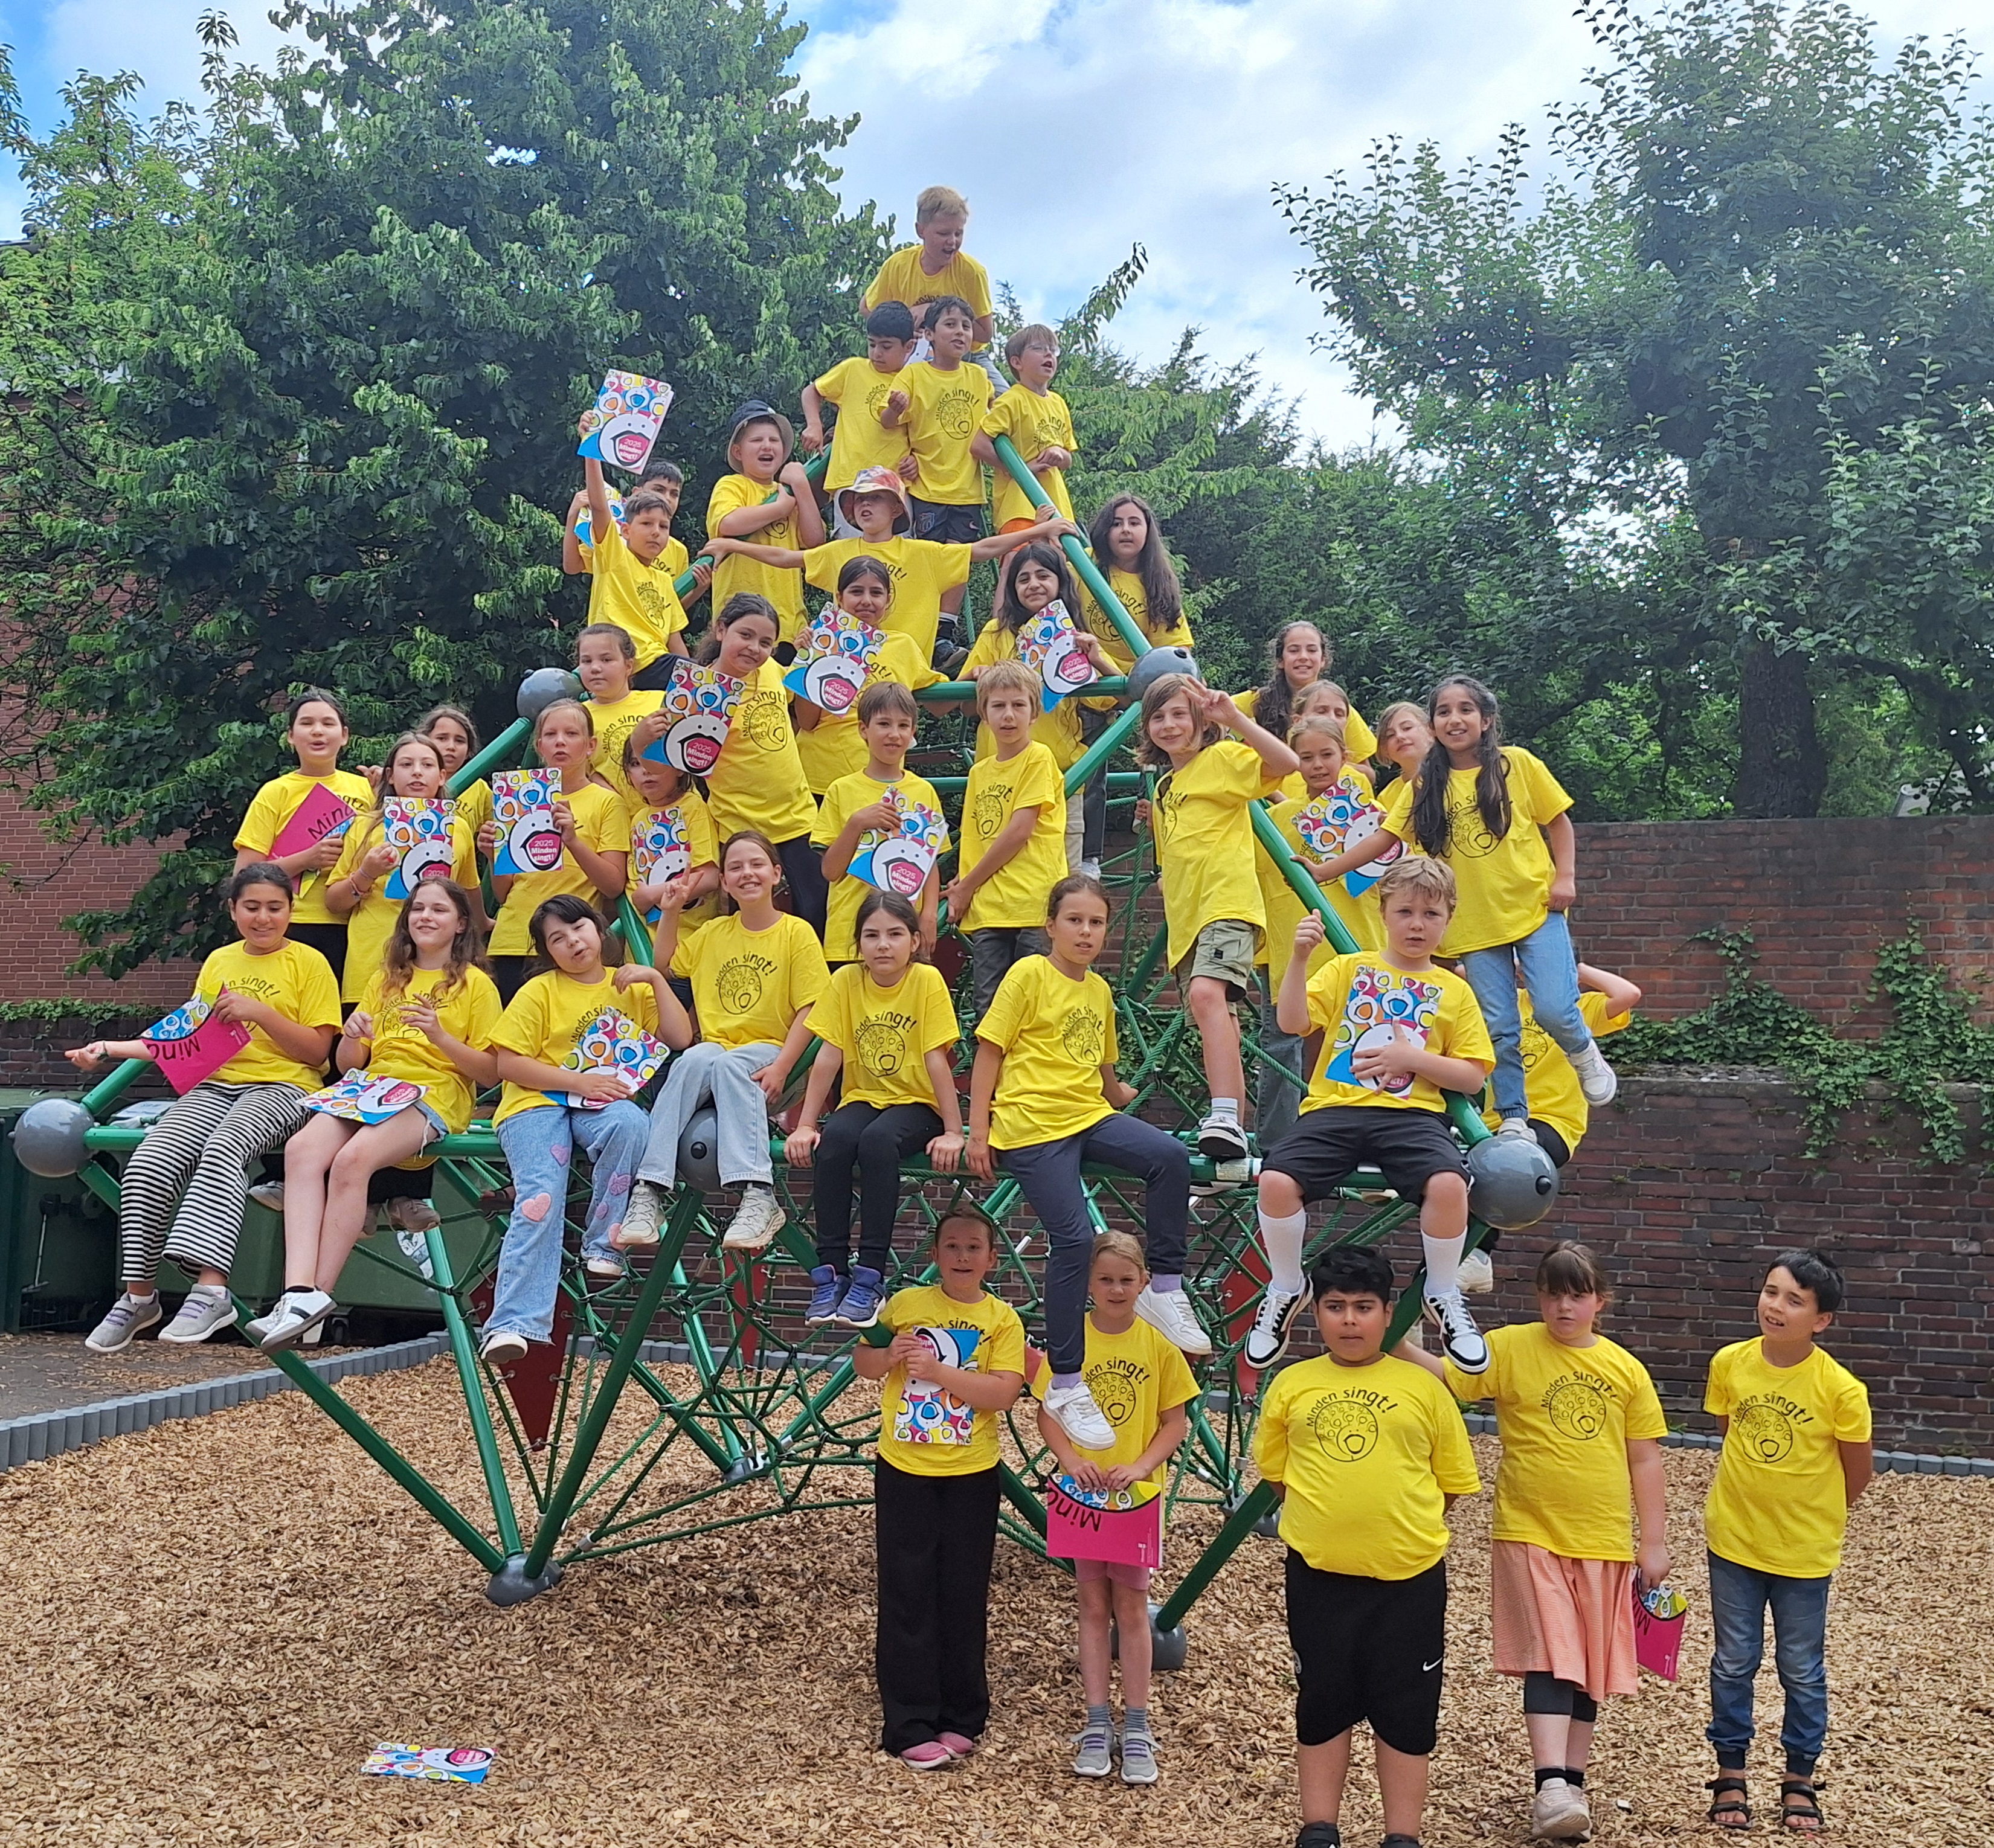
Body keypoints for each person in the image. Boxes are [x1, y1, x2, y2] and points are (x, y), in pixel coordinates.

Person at [1397, 1241, 1670, 1841]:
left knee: (1588, 1663)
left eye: (1576, 1294)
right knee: (1553, 1652)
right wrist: (1399, 1340)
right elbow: (1451, 1377)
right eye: (1552, 1293)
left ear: (1600, 1300)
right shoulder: (1512, 1347)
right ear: (1539, 1296)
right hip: (1528, 1529)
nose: (1563, 1306)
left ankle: (1569, 1788)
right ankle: (1550, 1785)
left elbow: (1645, 1459)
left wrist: (1653, 1542)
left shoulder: (1626, 1369)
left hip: (1602, 1539)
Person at [969, 874, 1210, 1452]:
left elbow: (1099, 1070)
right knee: (1075, 1240)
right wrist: (977, 1133)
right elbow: (989, 1052)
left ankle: (1166, 1285)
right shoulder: (1029, 975)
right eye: (1073, 920)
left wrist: (1120, 1094)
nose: (1084, 931)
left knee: (1168, 1157)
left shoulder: (1098, 990)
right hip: (1030, 1126)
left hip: (1085, 1115)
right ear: (1050, 925)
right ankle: (1068, 1380)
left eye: (1095, 922)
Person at [1254, 1243, 1481, 1848]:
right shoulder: (1292, 1385)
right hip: (1319, 1578)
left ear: (1387, 1313)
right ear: (1315, 1313)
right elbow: (1278, 1475)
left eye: (1362, 1306)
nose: (1348, 1320)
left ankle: (1401, 1836)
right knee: (1322, 1702)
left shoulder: (1423, 1388)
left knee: (1405, 1713)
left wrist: (1395, 1525)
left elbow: (1452, 1482)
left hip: (1407, 1583)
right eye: (1334, 1306)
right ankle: (1319, 1829)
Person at [1331, 675, 1619, 1136]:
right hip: (1474, 925)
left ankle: (1583, 1053)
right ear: (1434, 724)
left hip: (1533, 908)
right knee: (1499, 1027)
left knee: (1552, 1008)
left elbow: (1558, 822)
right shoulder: (1426, 782)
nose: (1453, 719)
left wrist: (1565, 877)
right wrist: (1324, 871)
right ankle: (1513, 1116)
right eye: (1443, 712)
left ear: (1485, 720)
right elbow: (1386, 837)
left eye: (1465, 709)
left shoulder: (1516, 765)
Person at [72, 865, 341, 1352]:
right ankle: (139, 1297)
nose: (263, 918)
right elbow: (184, 1039)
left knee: (225, 1148)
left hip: (283, 1086)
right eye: (252, 907)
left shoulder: (309, 963)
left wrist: (260, 1013)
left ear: (291, 910)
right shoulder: (219, 961)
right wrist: (108, 1047)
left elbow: (318, 1054)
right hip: (215, 1085)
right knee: (151, 1160)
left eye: (274, 907)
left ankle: (211, 1289)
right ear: (234, 911)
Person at [1247, 856, 1496, 1376]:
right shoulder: (1349, 968)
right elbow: (1292, 1023)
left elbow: (1472, 1077)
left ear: (1447, 918)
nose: (1416, 924)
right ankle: (1287, 1285)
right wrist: (1297, 958)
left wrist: (1414, 1060)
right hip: (1334, 1109)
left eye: (1430, 914)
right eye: (1405, 911)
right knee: (1273, 1180)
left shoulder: (1455, 990)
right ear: (1384, 911)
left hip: (1411, 1118)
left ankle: (1444, 1292)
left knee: (1450, 1184)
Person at [248, 877, 501, 1349]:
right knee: (302, 1150)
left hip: (432, 1089)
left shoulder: (477, 986)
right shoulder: (387, 980)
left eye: (439, 910)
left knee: (351, 1161)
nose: (425, 917)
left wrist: (441, 1036)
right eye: (418, 908)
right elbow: (349, 1064)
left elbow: (489, 1073)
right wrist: (350, 1034)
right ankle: (297, 1292)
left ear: (461, 923)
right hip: (371, 1086)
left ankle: (320, 1291)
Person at [1700, 1249, 1872, 1836]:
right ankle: (1731, 1771)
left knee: (1801, 1669)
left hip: (1804, 1554)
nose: (1775, 1306)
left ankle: (1799, 1776)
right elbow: (1731, 1435)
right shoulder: (1729, 1363)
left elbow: (1857, 1472)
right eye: (1771, 1291)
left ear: (1821, 1320)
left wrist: (1812, 1515)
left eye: (1794, 1300)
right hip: (1732, 1541)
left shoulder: (1842, 1391)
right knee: (1733, 1662)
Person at [477, 895, 690, 1362]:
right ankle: (512, 1322)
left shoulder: (628, 984)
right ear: (546, 952)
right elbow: (509, 1064)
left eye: (578, 928)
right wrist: (579, 1082)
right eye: (557, 938)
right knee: (540, 1198)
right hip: (537, 1102)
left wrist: (655, 978)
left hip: (600, 1106)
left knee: (633, 1123)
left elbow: (679, 1038)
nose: (573, 942)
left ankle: (605, 1243)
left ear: (599, 930)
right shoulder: (540, 991)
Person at [852, 1205, 1026, 1769]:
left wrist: (939, 1373)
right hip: (905, 1469)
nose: (961, 1256)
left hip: (971, 1472)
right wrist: (889, 1355)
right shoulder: (906, 1306)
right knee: (906, 1592)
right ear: (934, 1254)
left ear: (991, 1259)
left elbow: (1002, 1394)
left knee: (962, 1591)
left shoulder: (1002, 1320)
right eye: (951, 1246)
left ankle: (963, 1714)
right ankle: (907, 1721)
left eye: (973, 1247)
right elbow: (863, 1361)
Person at [617, 831, 831, 1255]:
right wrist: (673, 911)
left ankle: (758, 1193)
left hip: (772, 1060)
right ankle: (649, 1189)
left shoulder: (796, 933)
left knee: (729, 1064)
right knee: (694, 1058)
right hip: (718, 1060)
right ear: (726, 884)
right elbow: (665, 963)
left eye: (756, 864)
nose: (746, 873)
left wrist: (784, 1066)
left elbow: (811, 1009)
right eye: (734, 867)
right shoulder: (714, 932)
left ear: (776, 873)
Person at [1035, 1231, 1197, 1788]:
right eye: (1105, 1279)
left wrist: (1142, 1465)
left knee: (1131, 1609)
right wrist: (1069, 1460)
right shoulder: (1069, 1340)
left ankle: (1137, 1725)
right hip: (1082, 1494)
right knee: (1088, 1604)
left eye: (1126, 1280)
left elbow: (1175, 1421)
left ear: (1144, 1283)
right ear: (1087, 1283)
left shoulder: (1158, 1345)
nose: (1115, 1288)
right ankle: (1096, 1721)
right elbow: (1050, 1413)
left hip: (1134, 1496)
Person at [1135, 671, 1299, 1161]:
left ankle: (1226, 1112)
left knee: (1208, 995)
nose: (1168, 725)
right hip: (1188, 921)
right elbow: (1169, 864)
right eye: (1157, 717)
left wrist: (1234, 719)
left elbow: (1286, 762)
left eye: (1179, 714)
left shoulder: (1222, 758)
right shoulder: (1165, 786)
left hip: (1227, 905)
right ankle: (1225, 1119)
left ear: (1201, 721)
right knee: (1213, 1011)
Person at [786, 890, 963, 1328]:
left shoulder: (926, 982)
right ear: (859, 944)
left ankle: (869, 1275)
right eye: (871, 935)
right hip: (864, 1097)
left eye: (894, 934)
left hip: (917, 1103)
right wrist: (806, 1124)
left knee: (878, 1143)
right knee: (837, 1141)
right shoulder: (847, 981)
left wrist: (954, 1130)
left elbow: (935, 1059)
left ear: (915, 942)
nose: (883, 944)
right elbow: (829, 1054)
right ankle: (830, 1274)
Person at [710, 467, 1066, 669]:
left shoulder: (922, 553)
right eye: (859, 500)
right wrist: (732, 544)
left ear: (896, 508)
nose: (865, 506)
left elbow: (981, 549)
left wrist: (1039, 529)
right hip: (848, 668)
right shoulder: (840, 551)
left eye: (875, 498)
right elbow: (789, 559)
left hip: (899, 669)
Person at [1464, 962, 1640, 1294]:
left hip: (1552, 1124)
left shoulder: (1578, 1010)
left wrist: (1579, 970)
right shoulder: (1505, 1002)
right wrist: (1507, 962)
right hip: (1494, 1123)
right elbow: (1464, 971)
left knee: (1502, 1172)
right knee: (1456, 1179)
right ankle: (1461, 1269)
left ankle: (1479, 1256)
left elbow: (1629, 994)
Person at [1255, 713, 1383, 1153]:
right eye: (1305, 757)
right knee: (1299, 1054)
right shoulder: (1276, 820)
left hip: (1358, 945)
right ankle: (1299, 1140)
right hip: (1302, 954)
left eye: (1326, 755)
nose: (1316, 765)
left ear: (1345, 758)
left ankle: (1363, 1139)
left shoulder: (1373, 819)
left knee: (1361, 1048)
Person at [964, 543, 1116, 872]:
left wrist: (1099, 660)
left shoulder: (1075, 640)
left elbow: (1126, 698)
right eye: (1023, 579)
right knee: (995, 870)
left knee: (1062, 880)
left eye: (1043, 576)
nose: (1033, 584)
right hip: (999, 776)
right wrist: (975, 678)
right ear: (1012, 589)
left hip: (1061, 779)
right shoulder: (996, 634)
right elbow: (958, 706)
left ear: (1060, 582)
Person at [687, 592, 828, 936]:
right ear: (721, 630)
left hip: (797, 816)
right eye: (745, 635)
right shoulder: (700, 690)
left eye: (766, 642)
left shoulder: (769, 669)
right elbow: (684, 761)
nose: (755, 648)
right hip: (742, 825)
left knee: (818, 912)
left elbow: (805, 693)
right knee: (749, 921)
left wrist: (809, 653)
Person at [1074, 493, 1195, 873]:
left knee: (1163, 766)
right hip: (1088, 686)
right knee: (1087, 771)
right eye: (1116, 522)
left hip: (1137, 694)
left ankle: (1168, 858)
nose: (1125, 530)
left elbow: (1177, 656)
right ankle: (1089, 857)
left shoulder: (1158, 582)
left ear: (1148, 531)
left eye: (1134, 522)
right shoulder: (1085, 569)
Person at [945, 660, 1069, 1018]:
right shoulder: (980, 772)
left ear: (1035, 712)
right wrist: (963, 879)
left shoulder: (1038, 759)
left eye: (1019, 705)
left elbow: (1018, 832)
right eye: (998, 706)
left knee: (1035, 1009)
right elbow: (978, 837)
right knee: (990, 1013)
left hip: (1031, 904)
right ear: (984, 713)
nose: (1009, 715)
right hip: (989, 909)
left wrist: (967, 884)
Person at [483, 699, 628, 1004]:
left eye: (571, 734)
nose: (560, 741)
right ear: (539, 745)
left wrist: (573, 841)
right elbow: (504, 894)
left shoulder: (606, 802)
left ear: (590, 746)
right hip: (509, 942)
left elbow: (614, 884)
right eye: (550, 735)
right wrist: (494, 855)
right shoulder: (519, 798)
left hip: (567, 944)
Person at [324, 731, 481, 1003]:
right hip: (372, 968)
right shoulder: (364, 826)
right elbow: (334, 903)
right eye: (406, 765)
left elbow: (468, 894)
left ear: (442, 776)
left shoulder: (460, 828)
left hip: (440, 974)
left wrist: (485, 930)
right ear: (391, 776)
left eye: (428, 765)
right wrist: (366, 874)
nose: (417, 773)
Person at [233, 690, 375, 989]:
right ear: (291, 736)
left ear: (345, 735)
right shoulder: (275, 792)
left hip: (360, 925)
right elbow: (244, 876)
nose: (318, 731)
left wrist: (389, 790)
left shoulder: (368, 790)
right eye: (307, 723)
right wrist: (308, 859)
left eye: (328, 723)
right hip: (293, 923)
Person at [883, 295, 994, 650]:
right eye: (950, 324)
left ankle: (945, 632)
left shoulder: (978, 377)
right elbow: (888, 422)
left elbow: (998, 419)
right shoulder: (915, 374)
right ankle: (925, 626)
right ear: (929, 334)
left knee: (959, 558)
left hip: (968, 489)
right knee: (930, 558)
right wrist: (893, 408)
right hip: (928, 486)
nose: (960, 332)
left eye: (966, 325)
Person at [812, 681, 949, 963]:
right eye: (884, 724)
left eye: (903, 726)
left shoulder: (924, 791)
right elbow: (830, 871)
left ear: (913, 732)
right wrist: (857, 823)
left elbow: (929, 864)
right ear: (864, 730)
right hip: (849, 936)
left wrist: (929, 915)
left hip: (905, 935)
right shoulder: (841, 789)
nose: (894, 735)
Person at [787, 555, 945, 795]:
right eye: (857, 591)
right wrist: (811, 661)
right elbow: (807, 723)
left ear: (888, 599)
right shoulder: (823, 641)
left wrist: (979, 673)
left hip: (882, 781)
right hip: (820, 781)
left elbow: (942, 705)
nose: (866, 601)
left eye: (876, 593)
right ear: (840, 598)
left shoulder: (903, 646)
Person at [705, 400, 825, 643]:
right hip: (739, 619)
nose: (766, 446)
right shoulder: (732, 485)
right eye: (757, 440)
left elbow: (815, 541)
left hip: (788, 625)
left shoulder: (789, 491)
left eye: (774, 440)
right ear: (738, 452)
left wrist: (801, 486)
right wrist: (780, 508)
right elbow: (728, 524)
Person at [861, 184, 1000, 382]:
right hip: (909, 355)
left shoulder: (972, 272)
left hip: (967, 358)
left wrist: (931, 311)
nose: (952, 242)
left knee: (1005, 401)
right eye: (944, 234)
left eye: (958, 233)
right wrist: (903, 324)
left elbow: (985, 334)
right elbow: (867, 308)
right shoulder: (899, 265)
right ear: (921, 230)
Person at [578, 438, 689, 678]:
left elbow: (674, 638)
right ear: (626, 531)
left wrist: (695, 674)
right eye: (647, 524)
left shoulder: (664, 580)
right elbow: (599, 507)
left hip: (660, 663)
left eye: (663, 526)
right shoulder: (615, 557)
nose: (656, 532)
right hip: (627, 661)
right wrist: (591, 449)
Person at [802, 302, 918, 498]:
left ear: (909, 346)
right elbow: (812, 391)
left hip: (893, 485)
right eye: (872, 344)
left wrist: (917, 460)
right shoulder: (853, 369)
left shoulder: (915, 381)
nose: (877, 353)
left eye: (886, 346)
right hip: (849, 481)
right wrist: (814, 425)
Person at [973, 324, 1076, 532]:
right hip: (1018, 505)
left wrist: (1058, 453)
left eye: (1053, 349)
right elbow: (979, 445)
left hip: (1055, 504)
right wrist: (1021, 470)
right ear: (1017, 362)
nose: (1048, 353)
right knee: (1019, 560)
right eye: (1038, 348)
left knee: (1054, 563)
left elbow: (1068, 460)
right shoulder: (1012, 400)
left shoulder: (1058, 403)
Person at [1237, 622, 1378, 766]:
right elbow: (1216, 716)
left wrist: (1324, 762)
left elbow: (1367, 774)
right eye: (1294, 650)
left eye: (1312, 650)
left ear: (1323, 660)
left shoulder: (1338, 710)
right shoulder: (1256, 701)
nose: (1303, 657)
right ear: (1280, 660)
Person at [620, 740, 720, 925]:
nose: (646, 770)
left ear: (679, 767)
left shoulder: (693, 807)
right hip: (651, 941)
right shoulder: (638, 820)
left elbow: (709, 878)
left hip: (694, 936)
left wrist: (651, 895)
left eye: (656, 760)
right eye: (636, 763)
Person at [416, 703, 494, 848]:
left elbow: (500, 833)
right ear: (425, 741)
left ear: (469, 750)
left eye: (460, 741)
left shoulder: (479, 789)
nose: (451, 746)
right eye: (442, 738)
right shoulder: (411, 780)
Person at [1373, 701, 1434, 790]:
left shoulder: (1455, 775)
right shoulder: (1387, 798)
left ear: (1431, 732)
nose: (1399, 736)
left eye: (1407, 728)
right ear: (1385, 750)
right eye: (1390, 735)